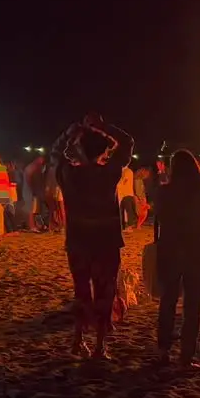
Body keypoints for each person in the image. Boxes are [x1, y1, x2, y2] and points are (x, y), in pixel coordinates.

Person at [52, 114, 134, 359]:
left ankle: (78, 340)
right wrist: (103, 127)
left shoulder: (69, 175)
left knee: (81, 292)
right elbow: (127, 143)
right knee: (104, 292)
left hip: (78, 242)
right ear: (103, 152)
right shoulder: (109, 174)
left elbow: (55, 154)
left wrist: (69, 134)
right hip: (106, 241)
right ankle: (99, 345)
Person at [153, 150, 200, 367]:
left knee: (168, 302)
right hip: (196, 253)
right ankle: (186, 355)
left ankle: (163, 350)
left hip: (170, 252)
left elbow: (160, 218)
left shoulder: (164, 192)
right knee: (192, 307)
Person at [117, 163, 137, 230]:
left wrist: (117, 184)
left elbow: (123, 182)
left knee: (128, 211)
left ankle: (130, 227)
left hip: (127, 194)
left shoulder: (127, 171)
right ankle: (123, 227)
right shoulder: (125, 171)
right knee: (122, 211)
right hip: (124, 194)